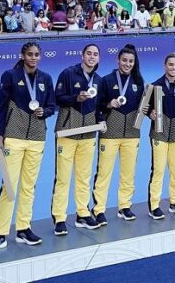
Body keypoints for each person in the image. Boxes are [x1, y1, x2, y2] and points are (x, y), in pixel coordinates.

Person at [0, 42, 56, 254]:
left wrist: (46, 111)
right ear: (22, 55)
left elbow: (52, 106)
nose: (33, 58)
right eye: (30, 54)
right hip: (12, 138)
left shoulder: (46, 79)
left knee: (28, 187)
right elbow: (2, 108)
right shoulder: (10, 76)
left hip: (37, 139)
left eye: (36, 55)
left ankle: (24, 228)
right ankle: (0, 234)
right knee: (9, 186)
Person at [51, 44, 104, 235]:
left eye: (95, 54)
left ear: (99, 58)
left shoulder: (98, 80)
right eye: (88, 53)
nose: (91, 57)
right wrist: (76, 98)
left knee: (84, 177)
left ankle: (82, 214)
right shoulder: (68, 73)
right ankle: (59, 218)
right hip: (67, 132)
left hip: (89, 135)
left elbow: (99, 106)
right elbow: (57, 98)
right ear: (82, 55)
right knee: (63, 178)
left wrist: (101, 119)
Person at [92, 44, 145, 224]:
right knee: (104, 172)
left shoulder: (138, 81)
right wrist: (109, 104)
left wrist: (149, 110)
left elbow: (143, 106)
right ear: (118, 60)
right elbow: (97, 106)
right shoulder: (106, 80)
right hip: (110, 133)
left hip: (132, 133)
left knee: (128, 173)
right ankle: (99, 210)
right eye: (124, 60)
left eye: (131, 61)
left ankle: (125, 206)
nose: (127, 64)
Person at [147, 54, 175, 219]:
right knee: (158, 170)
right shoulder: (155, 86)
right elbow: (145, 109)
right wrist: (150, 114)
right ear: (165, 66)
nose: (174, 68)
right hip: (159, 132)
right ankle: (154, 205)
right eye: (171, 65)